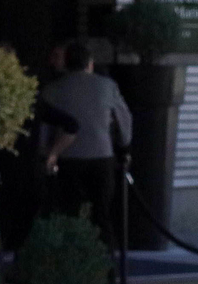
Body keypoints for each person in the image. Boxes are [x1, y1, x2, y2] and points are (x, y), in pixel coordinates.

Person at [38, 39, 131, 233]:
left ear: (66, 63)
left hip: (68, 159)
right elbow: (124, 119)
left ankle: (72, 257)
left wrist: (46, 153)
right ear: (90, 63)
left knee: (68, 212)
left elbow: (44, 127)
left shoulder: (52, 90)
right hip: (101, 157)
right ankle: (105, 257)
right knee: (101, 213)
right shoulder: (107, 86)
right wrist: (124, 144)